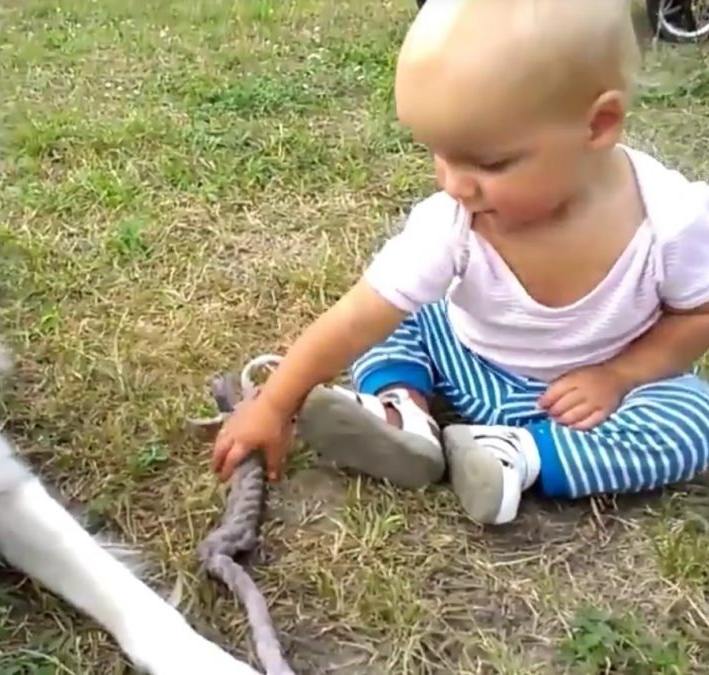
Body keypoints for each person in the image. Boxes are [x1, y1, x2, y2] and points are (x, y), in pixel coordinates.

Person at [210, 0, 709, 526]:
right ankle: (402, 413)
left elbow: (697, 316)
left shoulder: (673, 221)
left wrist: (620, 376)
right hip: (465, 361)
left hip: (583, 406)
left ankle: (519, 455)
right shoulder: (453, 221)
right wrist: (274, 403)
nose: (454, 184)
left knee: (694, 416)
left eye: (489, 163)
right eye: (440, 155)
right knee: (397, 314)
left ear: (598, 125)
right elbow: (356, 317)